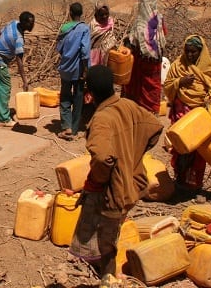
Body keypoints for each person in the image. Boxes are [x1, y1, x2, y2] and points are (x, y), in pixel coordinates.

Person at [69, 65, 162, 278]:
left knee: (105, 245)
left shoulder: (101, 120)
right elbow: (155, 127)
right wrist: (132, 156)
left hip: (113, 191)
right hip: (134, 182)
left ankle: (108, 279)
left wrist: (99, 181)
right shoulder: (128, 105)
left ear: (90, 93)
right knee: (114, 231)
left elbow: (103, 158)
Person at [163, 35, 211, 189]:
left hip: (200, 113)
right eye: (188, 51)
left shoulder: (207, 69)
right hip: (181, 112)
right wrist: (179, 82)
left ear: (201, 52)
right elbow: (167, 87)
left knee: (198, 150)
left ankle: (195, 183)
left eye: (194, 52)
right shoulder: (178, 66)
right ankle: (180, 179)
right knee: (181, 147)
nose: (190, 55)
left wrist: (209, 99)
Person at [122, 0, 167, 114]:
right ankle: (153, 111)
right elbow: (164, 36)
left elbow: (132, 43)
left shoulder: (140, 23)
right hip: (156, 62)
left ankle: (140, 113)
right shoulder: (159, 18)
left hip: (142, 63)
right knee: (153, 87)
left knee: (139, 88)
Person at [0, 11, 34, 127]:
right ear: (24, 23)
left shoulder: (13, 23)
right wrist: (25, 81)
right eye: (30, 23)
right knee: (5, 86)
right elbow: (20, 62)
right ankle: (3, 119)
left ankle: (0, 109)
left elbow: (0, 32)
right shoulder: (18, 39)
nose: (32, 25)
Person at [56, 2, 91, 140]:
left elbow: (59, 48)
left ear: (70, 13)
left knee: (65, 96)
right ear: (81, 13)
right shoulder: (84, 29)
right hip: (78, 70)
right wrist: (86, 70)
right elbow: (85, 52)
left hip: (65, 68)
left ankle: (66, 127)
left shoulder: (65, 28)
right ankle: (75, 129)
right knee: (78, 97)